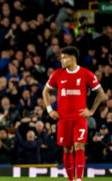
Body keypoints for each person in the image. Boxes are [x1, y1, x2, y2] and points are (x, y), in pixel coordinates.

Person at [43, 46, 106, 181]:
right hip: (63, 118)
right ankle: (71, 179)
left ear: (72, 58)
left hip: (79, 118)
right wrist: (50, 110)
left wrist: (92, 111)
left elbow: (101, 93)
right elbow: (45, 91)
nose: (61, 60)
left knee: (79, 145)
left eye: (64, 57)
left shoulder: (86, 74)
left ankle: (79, 179)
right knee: (67, 149)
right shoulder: (57, 74)